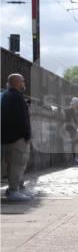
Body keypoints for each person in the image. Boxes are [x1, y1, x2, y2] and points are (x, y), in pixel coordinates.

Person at [1, 73, 33, 201]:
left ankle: (15, 189)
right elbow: (21, 119)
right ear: (17, 82)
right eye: (23, 81)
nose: (24, 83)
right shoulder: (16, 97)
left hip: (7, 137)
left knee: (12, 164)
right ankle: (14, 191)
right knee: (18, 164)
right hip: (17, 138)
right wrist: (27, 135)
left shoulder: (6, 96)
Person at [64, 97, 78, 165]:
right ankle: (74, 158)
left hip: (73, 128)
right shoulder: (70, 110)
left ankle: (74, 158)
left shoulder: (72, 110)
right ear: (74, 103)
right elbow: (71, 120)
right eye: (77, 103)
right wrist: (76, 127)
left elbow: (74, 120)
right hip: (71, 128)